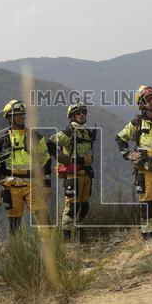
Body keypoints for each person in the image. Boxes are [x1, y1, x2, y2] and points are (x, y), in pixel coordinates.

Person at [116, 85, 152, 241]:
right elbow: (120, 138)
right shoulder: (137, 122)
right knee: (146, 204)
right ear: (141, 103)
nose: (151, 101)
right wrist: (128, 154)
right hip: (145, 170)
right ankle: (149, 238)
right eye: (147, 99)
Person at [0, 100, 53, 232]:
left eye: (22, 114)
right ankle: (16, 250)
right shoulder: (0, 143)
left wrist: (46, 184)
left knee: (44, 220)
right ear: (8, 117)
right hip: (10, 186)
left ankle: (49, 249)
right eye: (17, 114)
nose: (21, 117)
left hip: (33, 184)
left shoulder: (36, 138)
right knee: (14, 224)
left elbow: (46, 160)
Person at [52, 103, 95, 241]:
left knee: (84, 206)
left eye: (83, 112)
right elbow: (50, 143)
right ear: (71, 117)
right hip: (73, 176)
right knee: (72, 207)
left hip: (86, 175)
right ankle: (66, 239)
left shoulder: (87, 132)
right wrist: (64, 159)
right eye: (78, 113)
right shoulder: (68, 131)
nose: (82, 114)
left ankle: (80, 236)